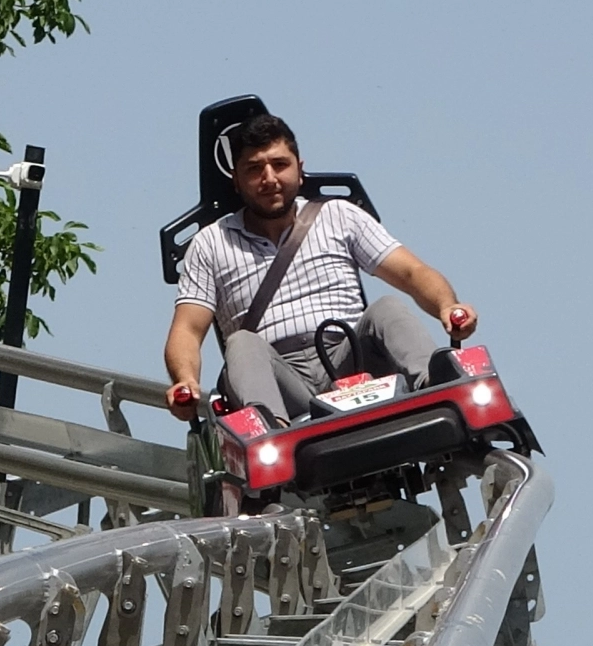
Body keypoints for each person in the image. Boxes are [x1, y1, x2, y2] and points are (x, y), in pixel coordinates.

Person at [163, 114, 478, 426]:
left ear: (300, 170)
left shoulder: (339, 215)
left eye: (279, 165)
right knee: (241, 342)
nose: (269, 178)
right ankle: (269, 431)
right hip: (277, 377)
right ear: (236, 180)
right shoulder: (211, 243)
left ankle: (435, 389)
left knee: (387, 307)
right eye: (254, 169)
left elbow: (412, 272)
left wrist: (447, 306)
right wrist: (185, 381)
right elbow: (187, 330)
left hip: (350, 359)